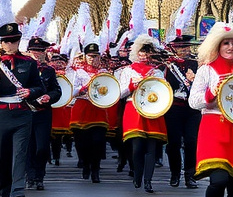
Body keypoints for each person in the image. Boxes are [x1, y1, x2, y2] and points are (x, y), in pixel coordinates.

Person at [188, 22, 233, 197]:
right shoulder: (206, 70)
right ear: (217, 45)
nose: (230, 47)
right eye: (226, 43)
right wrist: (212, 93)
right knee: (219, 180)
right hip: (214, 127)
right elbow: (193, 101)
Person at [0, 23, 46, 197]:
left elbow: (40, 87)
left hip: (22, 113)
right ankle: (4, 188)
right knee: (2, 155)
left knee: (20, 153)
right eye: (7, 41)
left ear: (19, 41)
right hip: (0, 114)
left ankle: (17, 190)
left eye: (14, 41)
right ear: (1, 43)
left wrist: (30, 91)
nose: (10, 45)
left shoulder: (29, 63)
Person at [117, 35, 167, 193]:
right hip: (134, 109)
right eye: (141, 52)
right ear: (136, 53)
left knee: (151, 148)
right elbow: (119, 93)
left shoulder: (157, 72)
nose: (144, 55)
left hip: (153, 110)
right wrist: (132, 85)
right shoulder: (127, 71)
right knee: (137, 147)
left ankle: (148, 181)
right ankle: (137, 175)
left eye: (147, 52)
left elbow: (164, 92)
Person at [66, 43, 111, 183]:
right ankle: (85, 164)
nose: (92, 59)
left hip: (98, 109)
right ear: (85, 57)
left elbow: (110, 90)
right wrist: (83, 88)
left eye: (95, 56)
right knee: (82, 142)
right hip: (82, 107)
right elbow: (71, 92)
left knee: (98, 141)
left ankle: (95, 169)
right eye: (90, 56)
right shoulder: (77, 72)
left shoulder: (104, 72)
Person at [162, 35, 200, 189]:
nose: (185, 50)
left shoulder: (197, 64)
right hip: (174, 108)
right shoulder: (167, 66)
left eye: (186, 47)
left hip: (192, 109)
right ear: (175, 49)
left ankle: (190, 175)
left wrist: (194, 79)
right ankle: (175, 173)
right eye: (181, 48)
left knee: (191, 141)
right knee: (174, 143)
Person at [24, 37, 61, 192]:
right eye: (34, 50)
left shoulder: (48, 71)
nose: (37, 53)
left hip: (43, 113)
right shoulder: (22, 68)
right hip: (25, 111)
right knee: (27, 146)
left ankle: (40, 174)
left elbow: (57, 90)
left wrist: (49, 97)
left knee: (42, 147)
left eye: (40, 51)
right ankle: (31, 176)